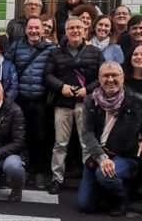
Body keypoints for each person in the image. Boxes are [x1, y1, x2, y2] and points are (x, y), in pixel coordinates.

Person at [76, 61, 142, 216]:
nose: (110, 79)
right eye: (106, 76)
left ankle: (121, 196)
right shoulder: (90, 101)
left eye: (114, 75)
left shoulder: (137, 101)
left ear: (123, 78)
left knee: (103, 175)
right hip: (99, 158)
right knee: (84, 205)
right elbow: (87, 133)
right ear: (99, 78)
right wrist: (101, 158)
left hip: (125, 157)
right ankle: (107, 190)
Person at [44, 16, 105, 194]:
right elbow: (47, 75)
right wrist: (60, 86)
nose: (75, 31)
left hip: (85, 104)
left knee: (86, 144)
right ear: (66, 31)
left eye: (79, 28)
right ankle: (57, 179)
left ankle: (89, 178)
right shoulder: (56, 53)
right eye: (71, 28)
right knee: (60, 144)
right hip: (62, 104)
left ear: (85, 30)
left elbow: (103, 76)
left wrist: (88, 90)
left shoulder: (94, 52)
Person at [4, 16, 56, 189]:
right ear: (26, 29)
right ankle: (22, 170)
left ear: (43, 30)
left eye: (37, 28)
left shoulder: (50, 48)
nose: (34, 31)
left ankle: (38, 172)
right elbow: (6, 64)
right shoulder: (17, 45)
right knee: (20, 136)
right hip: (21, 100)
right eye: (30, 28)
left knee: (40, 138)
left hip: (41, 101)